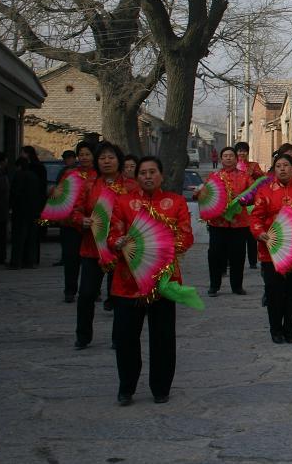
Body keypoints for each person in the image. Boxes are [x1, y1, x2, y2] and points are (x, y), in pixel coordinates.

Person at [107, 156, 194, 405]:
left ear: (161, 176)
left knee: (163, 338)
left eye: (152, 172)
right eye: (143, 172)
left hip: (164, 281)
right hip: (128, 283)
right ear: (137, 177)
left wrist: (160, 250)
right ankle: (126, 388)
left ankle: (161, 388)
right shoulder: (123, 202)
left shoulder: (175, 203)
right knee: (126, 339)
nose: (147, 176)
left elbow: (185, 236)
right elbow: (113, 234)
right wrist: (118, 242)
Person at [73, 142, 138, 350]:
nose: (107, 161)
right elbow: (76, 210)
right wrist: (80, 220)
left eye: (111, 157)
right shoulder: (90, 185)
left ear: (119, 160)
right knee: (86, 295)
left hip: (120, 250)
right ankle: (83, 336)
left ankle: (118, 337)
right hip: (93, 249)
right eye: (102, 158)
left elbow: (139, 214)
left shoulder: (130, 187)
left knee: (119, 297)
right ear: (96, 161)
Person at [250, 153, 292, 344]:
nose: (282, 169)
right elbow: (255, 218)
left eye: (286, 165)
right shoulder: (265, 192)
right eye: (278, 166)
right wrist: (260, 233)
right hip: (270, 252)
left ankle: (290, 328)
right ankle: (275, 329)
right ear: (274, 169)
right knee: (274, 293)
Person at [204, 146, 252, 297]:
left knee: (238, 255)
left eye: (231, 155)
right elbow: (206, 195)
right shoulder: (214, 176)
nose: (228, 158)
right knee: (215, 254)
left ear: (236, 159)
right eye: (225, 155)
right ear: (221, 159)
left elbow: (253, 194)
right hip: (218, 223)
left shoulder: (245, 176)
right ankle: (214, 285)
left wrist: (244, 199)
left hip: (239, 223)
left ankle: (237, 286)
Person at [56, 142, 99, 302]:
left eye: (87, 154)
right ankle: (70, 290)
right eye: (81, 154)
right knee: (71, 258)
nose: (84, 157)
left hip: (94, 225)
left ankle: (91, 290)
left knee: (93, 260)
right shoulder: (70, 174)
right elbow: (61, 198)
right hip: (71, 223)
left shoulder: (99, 176)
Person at [9, 156, 45, 269]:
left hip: (21, 211)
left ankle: (16, 262)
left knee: (19, 237)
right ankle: (30, 261)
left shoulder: (19, 176)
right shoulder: (34, 176)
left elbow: (15, 194)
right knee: (31, 236)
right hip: (34, 211)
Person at [235, 141, 264, 269]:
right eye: (239, 150)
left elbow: (261, 179)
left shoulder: (253, 165)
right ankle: (233, 260)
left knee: (251, 234)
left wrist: (252, 175)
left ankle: (253, 261)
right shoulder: (232, 166)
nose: (242, 153)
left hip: (251, 204)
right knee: (236, 236)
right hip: (236, 205)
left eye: (244, 150)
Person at [22, 145, 49, 266]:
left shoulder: (31, 168)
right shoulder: (40, 167)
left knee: (32, 230)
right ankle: (34, 257)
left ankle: (29, 257)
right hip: (40, 203)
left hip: (33, 204)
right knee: (36, 231)